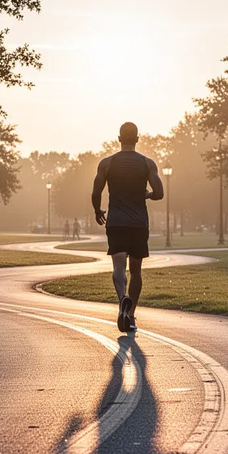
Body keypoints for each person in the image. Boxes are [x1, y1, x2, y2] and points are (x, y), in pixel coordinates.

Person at [91, 122, 164, 332]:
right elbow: (159, 193)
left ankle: (122, 298)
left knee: (118, 267)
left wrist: (98, 210)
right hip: (138, 223)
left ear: (119, 138)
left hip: (116, 222)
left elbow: (96, 192)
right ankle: (130, 316)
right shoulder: (147, 163)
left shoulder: (107, 163)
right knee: (136, 271)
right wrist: (148, 194)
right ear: (138, 139)